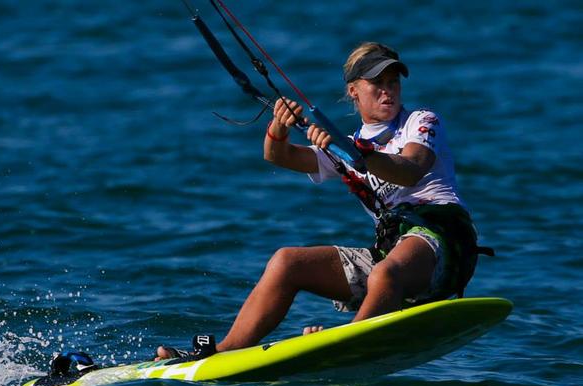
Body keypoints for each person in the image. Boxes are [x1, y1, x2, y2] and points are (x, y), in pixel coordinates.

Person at [156, 42, 485, 361]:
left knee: (384, 274)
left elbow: (411, 170)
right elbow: (278, 156)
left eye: (393, 82)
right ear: (354, 91)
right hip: (393, 255)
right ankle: (223, 354)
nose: (388, 91)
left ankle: (346, 345)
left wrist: (356, 156)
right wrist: (280, 125)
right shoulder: (347, 145)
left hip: (444, 240)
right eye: (377, 84)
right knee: (287, 262)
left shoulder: (421, 122)